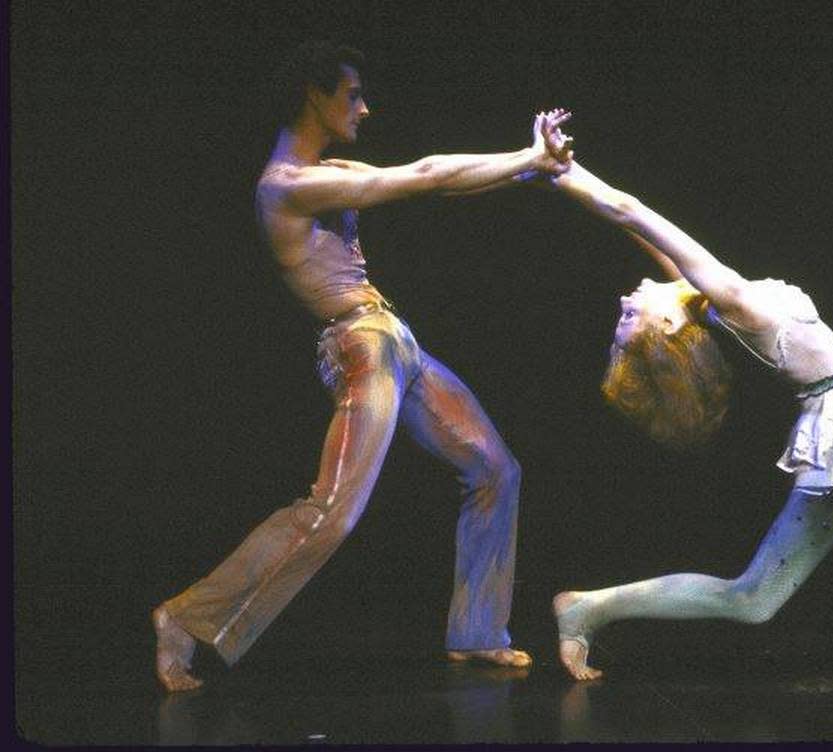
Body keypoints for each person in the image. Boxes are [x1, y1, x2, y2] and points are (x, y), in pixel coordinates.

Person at [152, 41, 574, 692]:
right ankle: (184, 619)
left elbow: (438, 179)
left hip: (395, 341)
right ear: (314, 96)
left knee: (496, 469)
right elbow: (426, 174)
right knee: (332, 512)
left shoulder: (325, 170)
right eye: (352, 94)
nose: (365, 107)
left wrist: (528, 169)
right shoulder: (289, 186)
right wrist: (526, 158)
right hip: (361, 348)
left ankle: (478, 630)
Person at [545, 157, 833, 681]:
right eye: (631, 315)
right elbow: (630, 211)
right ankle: (590, 607)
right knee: (751, 598)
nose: (625, 298)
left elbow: (647, 237)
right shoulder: (734, 301)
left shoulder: (705, 301)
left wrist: (561, 173)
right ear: (671, 324)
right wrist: (560, 168)